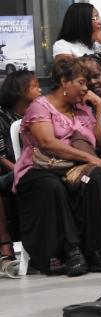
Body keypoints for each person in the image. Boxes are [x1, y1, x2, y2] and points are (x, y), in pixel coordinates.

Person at [13, 58, 101, 276]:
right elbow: (47, 143)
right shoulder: (40, 106)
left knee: (95, 177)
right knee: (53, 186)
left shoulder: (82, 110)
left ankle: (98, 252)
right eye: (81, 82)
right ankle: (71, 251)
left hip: (74, 170)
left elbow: (100, 143)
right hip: (39, 169)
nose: (86, 88)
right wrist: (90, 159)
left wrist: (99, 106)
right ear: (64, 82)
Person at [0, 70, 41, 278]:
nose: (40, 90)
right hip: (9, 171)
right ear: (20, 90)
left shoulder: (39, 111)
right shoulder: (1, 117)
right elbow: (0, 157)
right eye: (34, 86)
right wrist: (21, 169)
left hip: (37, 166)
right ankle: (5, 246)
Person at [53, 2, 101, 78]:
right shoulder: (63, 45)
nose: (100, 22)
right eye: (95, 18)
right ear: (81, 21)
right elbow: (69, 75)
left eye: (99, 17)